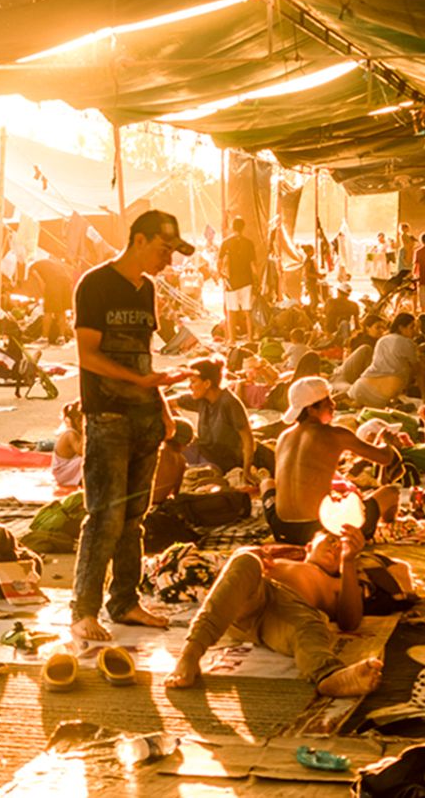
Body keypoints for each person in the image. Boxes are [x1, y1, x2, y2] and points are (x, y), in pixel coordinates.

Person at [70, 209, 195, 642]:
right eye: (164, 250)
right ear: (138, 240)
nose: (168, 260)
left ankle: (124, 602)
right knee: (104, 516)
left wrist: (161, 406)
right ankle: (83, 610)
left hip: (144, 416)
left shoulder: (148, 291)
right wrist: (138, 381)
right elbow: (87, 355)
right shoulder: (95, 284)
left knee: (133, 519)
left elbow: (144, 358)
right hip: (106, 415)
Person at [166, 527, 384, 697]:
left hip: (289, 615)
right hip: (252, 597)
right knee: (245, 561)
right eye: (331, 540)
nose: (336, 548)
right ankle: (191, 653)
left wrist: (349, 561)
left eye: (342, 546)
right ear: (308, 546)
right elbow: (234, 572)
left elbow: (350, 622)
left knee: (310, 626)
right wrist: (247, 553)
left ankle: (328, 676)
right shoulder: (281, 558)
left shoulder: (338, 581)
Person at [264, 376, 400, 545]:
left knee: (267, 483)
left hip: (281, 528)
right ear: (312, 409)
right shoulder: (335, 434)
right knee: (391, 493)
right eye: (327, 400)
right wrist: (386, 442)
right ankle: (386, 529)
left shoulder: (283, 437)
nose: (333, 405)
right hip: (319, 533)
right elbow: (385, 458)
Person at [172, 357, 270, 477]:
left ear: (207, 383)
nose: (189, 386)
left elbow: (248, 441)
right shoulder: (201, 399)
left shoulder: (229, 403)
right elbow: (168, 403)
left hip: (221, 463)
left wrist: (246, 471)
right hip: (201, 450)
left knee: (206, 471)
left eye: (193, 382)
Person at [347, 312, 420, 407]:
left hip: (360, 386)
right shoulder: (407, 343)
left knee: (351, 400)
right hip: (381, 396)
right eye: (412, 327)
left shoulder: (382, 340)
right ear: (401, 328)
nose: (415, 331)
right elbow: (418, 369)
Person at [218, 217, 258, 344]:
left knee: (231, 312)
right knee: (248, 311)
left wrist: (221, 275)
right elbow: (253, 266)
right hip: (247, 281)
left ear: (232, 227)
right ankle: (250, 338)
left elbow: (219, 262)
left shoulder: (226, 243)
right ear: (243, 228)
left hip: (231, 282)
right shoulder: (249, 243)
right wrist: (256, 280)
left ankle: (232, 339)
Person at [52, 401, 85, 487]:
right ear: (78, 421)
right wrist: (86, 431)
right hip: (63, 473)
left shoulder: (77, 433)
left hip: (68, 469)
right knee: (87, 459)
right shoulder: (70, 434)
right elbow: (81, 451)